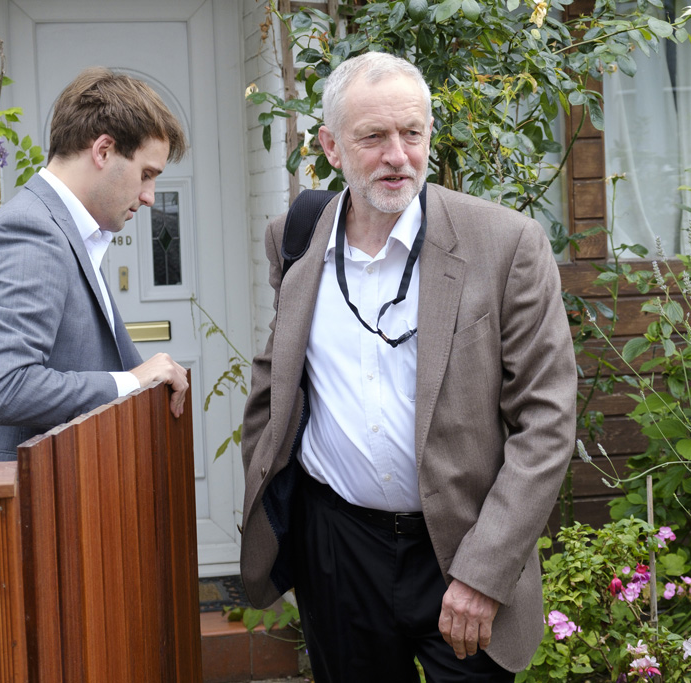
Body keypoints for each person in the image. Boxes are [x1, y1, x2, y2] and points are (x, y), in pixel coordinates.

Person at [239, 52, 577, 681]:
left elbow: (548, 422)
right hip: (338, 548)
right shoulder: (295, 236)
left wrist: (483, 571)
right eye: (374, 137)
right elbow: (276, 379)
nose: (398, 155)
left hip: (460, 549)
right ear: (332, 147)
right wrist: (284, 525)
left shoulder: (505, 245)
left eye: (413, 133)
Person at [0, 67, 190, 464]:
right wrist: (130, 381)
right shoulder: (29, 232)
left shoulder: (62, 231)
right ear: (103, 150)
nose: (149, 197)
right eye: (146, 174)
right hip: (20, 506)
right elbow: (3, 387)